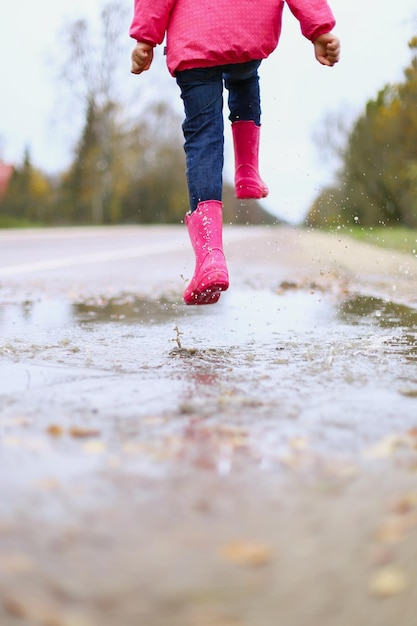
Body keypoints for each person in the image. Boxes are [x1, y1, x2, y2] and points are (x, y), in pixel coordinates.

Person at [130, 0, 340, 305]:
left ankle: (210, 259)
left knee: (204, 136)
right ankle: (247, 172)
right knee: (244, 77)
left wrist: (145, 38)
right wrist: (320, 29)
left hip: (195, 36)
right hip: (248, 27)